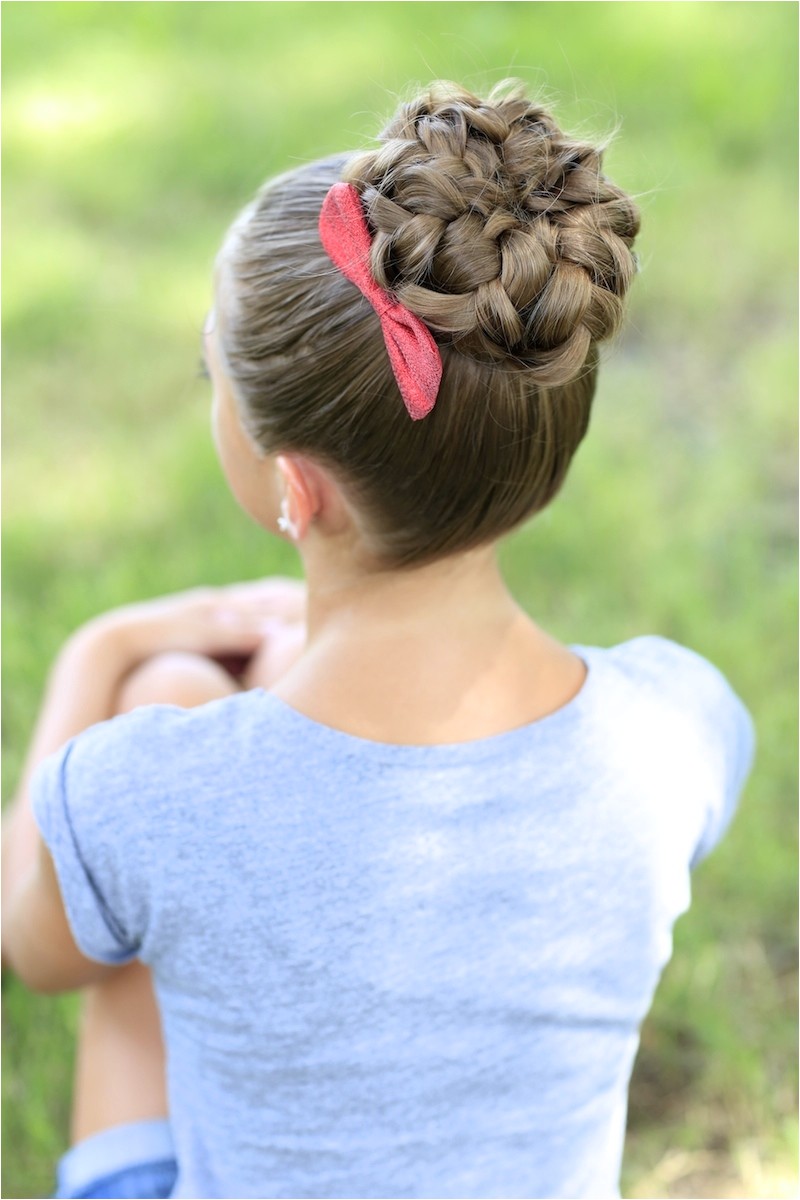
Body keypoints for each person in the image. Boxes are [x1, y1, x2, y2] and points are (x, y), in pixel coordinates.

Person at [2, 81, 754, 1200]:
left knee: (156, 734)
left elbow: (38, 948)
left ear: (293, 488)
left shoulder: (142, 789)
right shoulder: (679, 727)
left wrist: (100, 654)